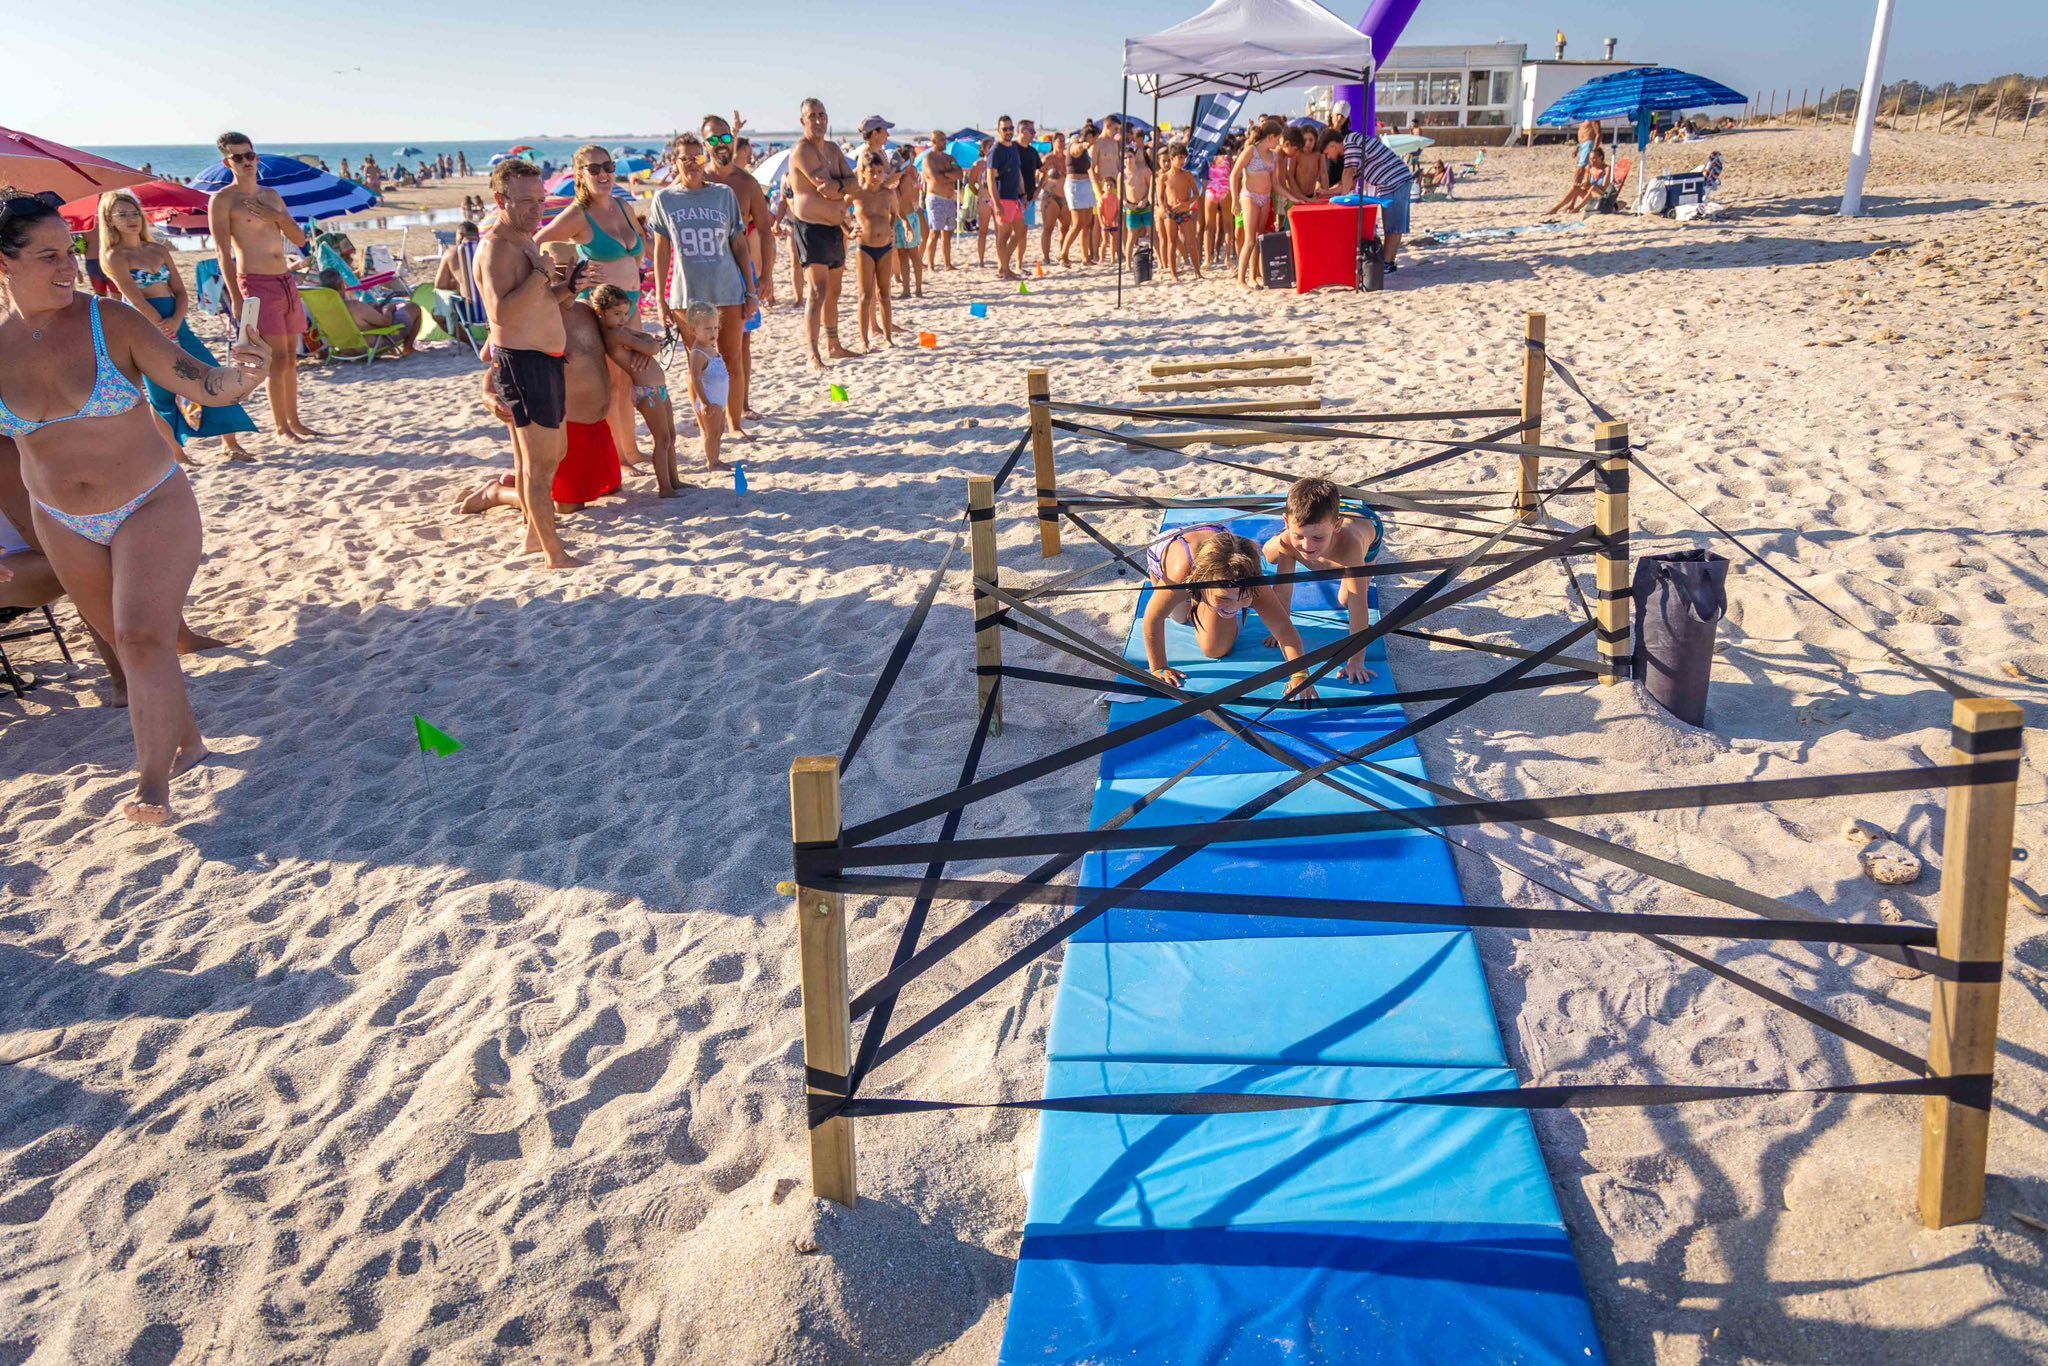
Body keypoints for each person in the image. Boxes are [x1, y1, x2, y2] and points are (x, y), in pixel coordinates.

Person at [0, 195, 270, 822]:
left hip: (151, 501)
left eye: (70, 251)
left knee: (142, 638)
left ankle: (153, 785)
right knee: (131, 651)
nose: (69, 266)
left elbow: (207, 384)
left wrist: (246, 375)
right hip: (60, 519)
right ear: (4, 265)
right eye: (48, 256)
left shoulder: (111, 321)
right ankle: (190, 743)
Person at [475, 158, 590, 570]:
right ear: (500, 200)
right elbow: (501, 314)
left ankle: (531, 538)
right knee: (539, 466)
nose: (537, 209)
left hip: (547, 359)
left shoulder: (525, 240)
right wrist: (540, 275)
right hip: (523, 364)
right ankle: (555, 554)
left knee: (551, 455)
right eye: (526, 201)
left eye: (540, 200)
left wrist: (569, 287)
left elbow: (541, 304)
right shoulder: (496, 248)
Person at [99, 191, 259, 461]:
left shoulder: (158, 249)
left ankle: (230, 443)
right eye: (122, 215)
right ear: (110, 220)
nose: (131, 219)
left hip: (176, 320)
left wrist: (175, 321)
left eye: (135, 213)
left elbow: (181, 291)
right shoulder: (115, 256)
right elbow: (134, 298)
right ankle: (176, 453)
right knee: (161, 392)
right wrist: (161, 325)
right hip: (146, 327)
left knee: (214, 377)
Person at [538, 145, 652, 466]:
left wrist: (635, 266)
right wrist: (569, 273)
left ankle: (632, 450)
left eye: (608, 166)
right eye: (594, 169)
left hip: (631, 304)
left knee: (630, 380)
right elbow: (537, 242)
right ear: (580, 175)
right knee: (612, 384)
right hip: (602, 310)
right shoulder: (578, 214)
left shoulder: (623, 206)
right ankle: (620, 458)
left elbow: (639, 248)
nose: (603, 174)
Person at [462, 287, 622, 518]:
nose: (574, 278)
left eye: (578, 271)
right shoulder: (532, 317)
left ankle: (516, 482)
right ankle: (497, 493)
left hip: (598, 426)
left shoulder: (586, 310)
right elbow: (500, 363)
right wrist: (489, 397)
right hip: (566, 429)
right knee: (566, 506)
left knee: (611, 488)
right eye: (562, 273)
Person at [207, 131, 318, 441]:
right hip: (255, 282)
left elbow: (299, 239)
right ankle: (282, 427)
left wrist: (277, 216)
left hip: (284, 279)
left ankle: (295, 422)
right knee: (275, 359)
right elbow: (222, 253)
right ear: (227, 162)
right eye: (238, 157)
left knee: (291, 356)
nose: (246, 162)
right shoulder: (223, 200)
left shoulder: (271, 196)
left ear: (256, 157)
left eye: (250, 155)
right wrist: (236, 297)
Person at [649, 132, 755, 438]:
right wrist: (661, 300)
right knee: (697, 364)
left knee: (732, 358)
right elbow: (661, 251)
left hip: (727, 290)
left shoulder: (723, 194)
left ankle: (734, 425)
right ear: (675, 161)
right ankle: (708, 427)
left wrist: (750, 290)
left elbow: (739, 245)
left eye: (696, 157)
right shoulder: (664, 199)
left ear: (704, 158)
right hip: (688, 295)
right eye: (684, 158)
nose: (691, 163)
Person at [1139, 524, 1318, 700]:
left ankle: (1209, 600)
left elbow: (1283, 627)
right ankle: (1201, 598)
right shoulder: (1180, 576)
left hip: (1217, 540)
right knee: (1180, 617)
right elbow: (1153, 618)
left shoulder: (1254, 584)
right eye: (1224, 598)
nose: (1233, 608)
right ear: (1201, 581)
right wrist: (1159, 667)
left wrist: (1300, 674)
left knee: (1215, 648)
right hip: (1168, 549)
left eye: (1244, 599)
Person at [1261, 477, 1378, 684]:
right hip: (1324, 521)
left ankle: (1328, 534)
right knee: (1269, 554)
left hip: (1366, 529)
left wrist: (1356, 660)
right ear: (1286, 522)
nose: (1307, 545)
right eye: (1299, 536)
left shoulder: (1350, 546)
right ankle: (1298, 534)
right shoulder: (1289, 540)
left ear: (1336, 526)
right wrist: (1280, 628)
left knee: (1346, 600)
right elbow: (1283, 589)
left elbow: (1359, 605)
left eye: (1317, 538)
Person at [701, 112, 772, 419]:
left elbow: (766, 231)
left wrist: (766, 275)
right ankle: (710, 408)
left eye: (725, 137)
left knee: (741, 343)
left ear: (733, 139)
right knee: (705, 344)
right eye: (713, 138)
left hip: (740, 273)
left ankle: (741, 405)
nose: (720, 143)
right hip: (703, 273)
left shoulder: (746, 183)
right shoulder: (695, 180)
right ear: (704, 143)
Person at [786, 97, 856, 371]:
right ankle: (813, 353)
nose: (818, 120)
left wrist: (839, 185)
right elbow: (825, 189)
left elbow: (854, 184)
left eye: (822, 115)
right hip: (811, 227)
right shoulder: (802, 150)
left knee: (834, 292)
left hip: (834, 228)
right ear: (802, 120)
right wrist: (841, 185)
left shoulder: (833, 149)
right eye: (812, 116)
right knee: (817, 291)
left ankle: (834, 345)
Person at [589, 284, 677, 495]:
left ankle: (675, 481)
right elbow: (652, 346)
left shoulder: (622, 331)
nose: (623, 318)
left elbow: (647, 339)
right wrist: (649, 347)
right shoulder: (615, 335)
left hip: (658, 389)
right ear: (601, 312)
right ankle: (665, 487)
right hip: (647, 392)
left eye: (625, 313)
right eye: (617, 313)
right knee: (662, 439)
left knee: (671, 437)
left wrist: (645, 346)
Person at [1321, 110, 1413, 274]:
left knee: (1393, 226)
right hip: (1393, 181)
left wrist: (1340, 199)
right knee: (1391, 225)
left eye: (1327, 153)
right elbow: (1350, 184)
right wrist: (1326, 193)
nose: (1328, 157)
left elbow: (1348, 173)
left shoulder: (1350, 143)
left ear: (1333, 145)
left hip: (1395, 181)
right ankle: (1388, 263)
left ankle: (1388, 264)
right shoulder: (1353, 144)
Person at [847, 151, 900, 351]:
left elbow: (894, 213)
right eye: (872, 172)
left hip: (885, 247)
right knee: (865, 295)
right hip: (865, 248)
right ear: (863, 172)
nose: (877, 176)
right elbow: (838, 212)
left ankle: (888, 337)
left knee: (884, 294)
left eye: (879, 172)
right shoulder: (857, 194)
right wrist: (848, 230)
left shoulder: (888, 194)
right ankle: (864, 340)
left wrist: (891, 229)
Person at [314, 268, 423, 353]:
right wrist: (388, 309)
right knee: (414, 307)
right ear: (342, 285)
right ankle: (408, 348)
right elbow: (386, 322)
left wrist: (369, 309)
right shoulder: (355, 306)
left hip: (345, 349)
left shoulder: (321, 309)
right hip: (368, 345)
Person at [1233, 117, 1286, 286]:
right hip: (1250, 197)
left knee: (1259, 238)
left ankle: (1253, 277)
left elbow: (1276, 184)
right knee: (1249, 240)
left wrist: (1294, 197)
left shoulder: (1274, 155)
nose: (1278, 142)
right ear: (1271, 137)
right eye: (1278, 139)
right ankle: (1241, 280)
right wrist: (1234, 201)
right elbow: (1234, 175)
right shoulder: (1251, 151)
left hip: (1265, 198)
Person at [681, 300, 729, 472]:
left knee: (719, 432)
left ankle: (716, 458)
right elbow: (695, 379)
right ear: (693, 330)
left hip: (720, 399)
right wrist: (704, 402)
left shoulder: (710, 347)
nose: (713, 332)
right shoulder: (697, 353)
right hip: (709, 400)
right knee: (711, 434)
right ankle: (712, 462)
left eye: (716, 328)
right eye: (707, 329)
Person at [984, 116, 1031, 281]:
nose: (1009, 131)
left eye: (1011, 128)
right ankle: (1005, 270)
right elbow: (990, 179)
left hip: (1015, 198)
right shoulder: (996, 151)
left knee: (1020, 232)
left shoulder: (1013, 148)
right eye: (1005, 129)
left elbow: (1018, 173)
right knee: (1003, 236)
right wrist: (997, 204)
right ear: (998, 131)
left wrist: (1023, 194)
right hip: (1002, 197)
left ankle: (1003, 266)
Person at [921, 129, 962, 271]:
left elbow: (960, 174)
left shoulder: (949, 158)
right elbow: (936, 179)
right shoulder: (929, 159)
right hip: (936, 198)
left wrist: (945, 175)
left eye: (945, 139)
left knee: (948, 233)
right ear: (934, 141)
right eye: (942, 140)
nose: (945, 142)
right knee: (934, 232)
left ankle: (947, 264)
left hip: (950, 199)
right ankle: (931, 265)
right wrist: (950, 176)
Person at [1159, 143, 1201, 281]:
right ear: (1172, 158)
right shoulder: (1164, 177)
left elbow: (1196, 194)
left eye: (1185, 158)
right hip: (1170, 213)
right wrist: (1163, 208)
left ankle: (1198, 272)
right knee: (1171, 242)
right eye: (1180, 158)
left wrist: (1186, 204)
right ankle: (1173, 274)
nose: (1183, 161)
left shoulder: (1187, 175)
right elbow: (1160, 197)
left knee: (1191, 242)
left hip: (1184, 211)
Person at [891, 147, 925, 300]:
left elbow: (902, 201)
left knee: (913, 255)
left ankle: (918, 289)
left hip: (908, 218)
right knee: (902, 255)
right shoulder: (897, 180)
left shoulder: (905, 179)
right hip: (900, 219)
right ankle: (907, 290)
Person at [1061, 130, 1097, 266]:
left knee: (1087, 224)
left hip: (1086, 184)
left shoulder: (1087, 151)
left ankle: (1085, 258)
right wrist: (1082, 145)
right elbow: (1075, 149)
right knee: (1077, 224)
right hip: (1075, 185)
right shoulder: (1074, 145)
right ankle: (1063, 255)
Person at [1035, 131, 1070, 268]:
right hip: (1051, 197)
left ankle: (1063, 255)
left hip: (1065, 197)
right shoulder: (1048, 159)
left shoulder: (1067, 159)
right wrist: (1042, 187)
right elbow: (1038, 175)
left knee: (1065, 228)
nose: (1061, 143)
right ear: (1053, 143)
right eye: (1059, 140)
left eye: (1063, 140)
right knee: (1048, 228)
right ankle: (1046, 258)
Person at [1545, 146, 1607, 217]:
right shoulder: (1589, 168)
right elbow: (1587, 185)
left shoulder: (1607, 169)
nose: (1592, 161)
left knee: (1593, 188)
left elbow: (1605, 188)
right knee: (1575, 187)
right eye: (1590, 159)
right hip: (1590, 196)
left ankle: (1577, 208)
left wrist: (1593, 187)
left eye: (1594, 158)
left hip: (1602, 197)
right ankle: (1556, 209)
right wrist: (1583, 185)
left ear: (1601, 157)